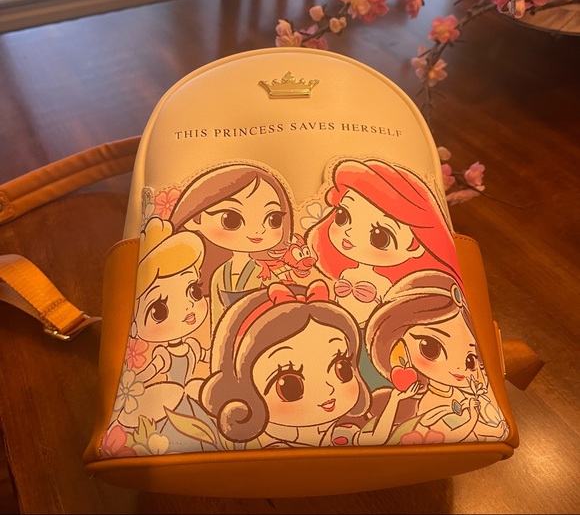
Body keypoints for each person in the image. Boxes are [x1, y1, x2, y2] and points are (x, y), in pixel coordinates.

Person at [198, 280, 418, 449]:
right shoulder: (268, 445)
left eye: (341, 368)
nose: (328, 389)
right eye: (289, 385)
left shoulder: (340, 433)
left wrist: (394, 400)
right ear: (244, 389)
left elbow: (374, 438)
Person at [305, 158, 464, 389]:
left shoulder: (390, 287)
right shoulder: (343, 275)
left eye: (380, 236)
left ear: (414, 246)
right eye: (343, 216)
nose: (349, 234)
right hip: (337, 337)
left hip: (369, 341)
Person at [365, 269, 509, 444]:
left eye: (470, 359)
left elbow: (490, 430)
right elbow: (443, 433)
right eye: (431, 348)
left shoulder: (461, 393)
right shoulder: (430, 402)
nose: (458, 367)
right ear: (398, 346)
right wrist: (472, 417)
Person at [111, 216, 210, 444]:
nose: (187, 308)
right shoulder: (163, 355)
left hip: (191, 397)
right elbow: (145, 375)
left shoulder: (192, 346)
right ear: (134, 323)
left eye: (194, 291)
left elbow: (211, 358)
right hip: (170, 403)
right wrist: (129, 394)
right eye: (158, 310)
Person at [169, 163, 294, 335]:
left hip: (262, 331)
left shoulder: (263, 271)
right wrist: (216, 338)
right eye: (231, 219)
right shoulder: (219, 274)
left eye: (273, 219)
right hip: (230, 332)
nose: (258, 231)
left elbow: (280, 301)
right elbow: (217, 312)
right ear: (195, 219)